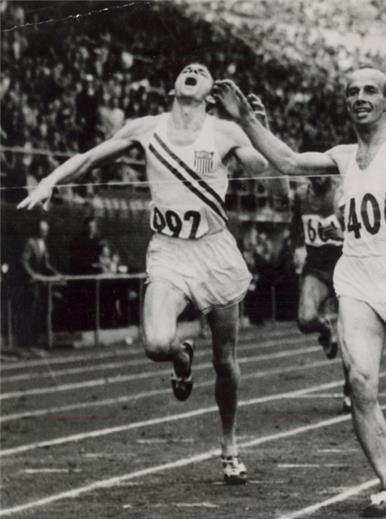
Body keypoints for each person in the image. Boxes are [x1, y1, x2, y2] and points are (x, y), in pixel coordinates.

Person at [212, 68, 386, 517]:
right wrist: (246, 121)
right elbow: (290, 162)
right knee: (360, 381)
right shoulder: (341, 156)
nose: (360, 97)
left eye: (371, 90)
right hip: (356, 277)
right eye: (352, 91)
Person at [18, 63, 270, 485]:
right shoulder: (146, 127)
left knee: (225, 361)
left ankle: (229, 447)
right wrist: (50, 181)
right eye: (186, 68)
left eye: (201, 70)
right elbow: (90, 159)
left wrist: (253, 125)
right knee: (155, 344)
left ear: (210, 94)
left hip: (215, 251)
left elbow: (267, 176)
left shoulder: (225, 132)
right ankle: (180, 356)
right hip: (169, 252)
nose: (191, 69)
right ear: (174, 85)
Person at [291, 174, 352, 412]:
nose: (316, 180)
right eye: (312, 174)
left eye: (321, 174)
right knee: (305, 319)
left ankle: (350, 388)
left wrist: (344, 235)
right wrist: (296, 247)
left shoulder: (341, 194)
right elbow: (296, 222)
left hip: (344, 268)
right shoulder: (300, 195)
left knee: (349, 336)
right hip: (316, 269)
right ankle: (324, 330)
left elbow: (363, 230)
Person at [17, 219, 62, 358]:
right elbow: (24, 261)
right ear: (38, 230)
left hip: (38, 285)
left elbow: (46, 264)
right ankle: (25, 346)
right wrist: (33, 275)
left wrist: (57, 274)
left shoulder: (43, 244)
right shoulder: (30, 242)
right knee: (29, 315)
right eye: (42, 230)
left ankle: (33, 345)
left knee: (36, 315)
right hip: (28, 284)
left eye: (46, 230)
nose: (44, 232)